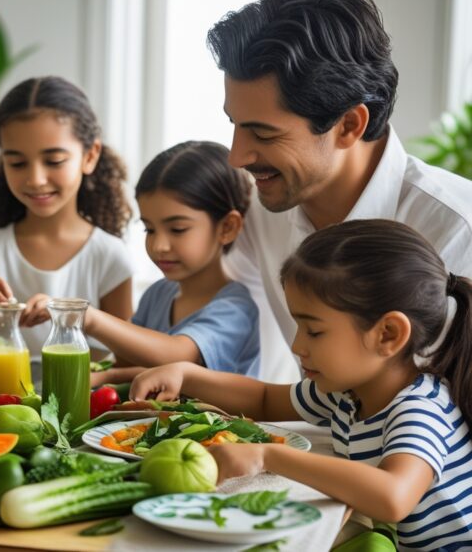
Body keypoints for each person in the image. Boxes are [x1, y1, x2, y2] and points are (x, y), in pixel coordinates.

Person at [131, 219, 472, 551]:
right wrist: (186, 374)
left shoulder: (418, 409)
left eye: (314, 331)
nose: (297, 346)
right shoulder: (345, 394)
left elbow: (392, 497)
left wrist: (267, 455)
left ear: (388, 334)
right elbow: (263, 398)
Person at [209, 0, 472, 383]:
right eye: (235, 125)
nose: (237, 156)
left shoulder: (458, 231)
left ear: (349, 124)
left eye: (263, 134)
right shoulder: (261, 204)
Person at [0, 76, 134, 358]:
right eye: (17, 163)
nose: (35, 179)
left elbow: (126, 355)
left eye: (54, 161)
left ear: (90, 156)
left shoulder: (109, 256)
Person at [86, 141, 258, 385]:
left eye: (178, 229)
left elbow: (178, 357)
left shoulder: (234, 307)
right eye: (149, 229)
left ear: (227, 227)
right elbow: (128, 360)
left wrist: (88, 318)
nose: (158, 246)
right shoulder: (158, 294)